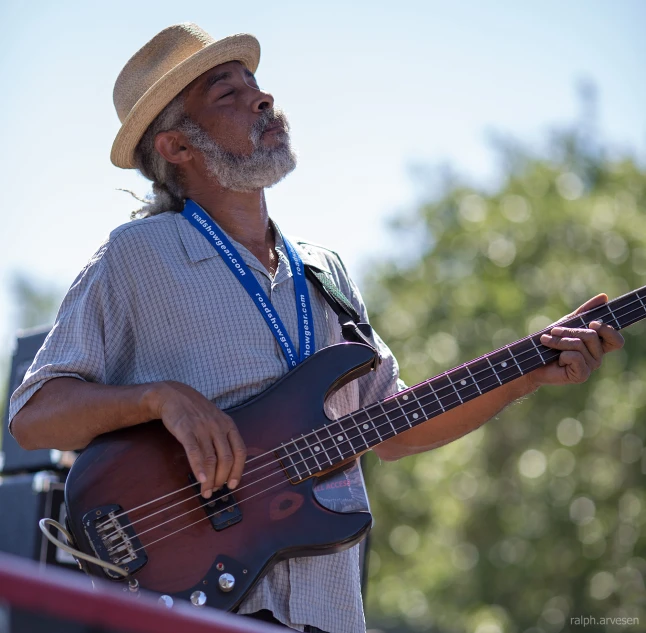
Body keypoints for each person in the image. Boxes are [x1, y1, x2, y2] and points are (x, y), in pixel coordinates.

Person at [8, 23, 624, 633]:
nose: (262, 98)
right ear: (177, 148)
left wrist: (528, 371)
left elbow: (394, 427)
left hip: (331, 618)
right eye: (228, 93)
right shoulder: (136, 257)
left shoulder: (323, 272)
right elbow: (35, 416)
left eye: (256, 85)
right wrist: (162, 400)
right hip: (207, 616)